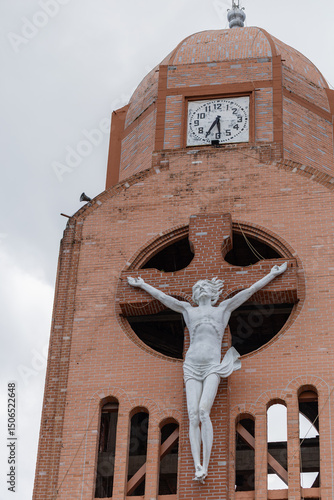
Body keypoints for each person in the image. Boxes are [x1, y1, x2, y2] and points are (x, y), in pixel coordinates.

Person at [127, 262, 287, 483]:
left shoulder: (223, 309)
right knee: (192, 415)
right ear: (194, 293)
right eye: (198, 286)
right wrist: (143, 285)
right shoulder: (188, 310)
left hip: (212, 365)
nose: (201, 288)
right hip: (191, 365)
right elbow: (165, 299)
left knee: (203, 412)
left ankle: (206, 460)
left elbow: (249, 292)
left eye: (205, 286)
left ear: (212, 293)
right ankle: (198, 465)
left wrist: (272, 274)